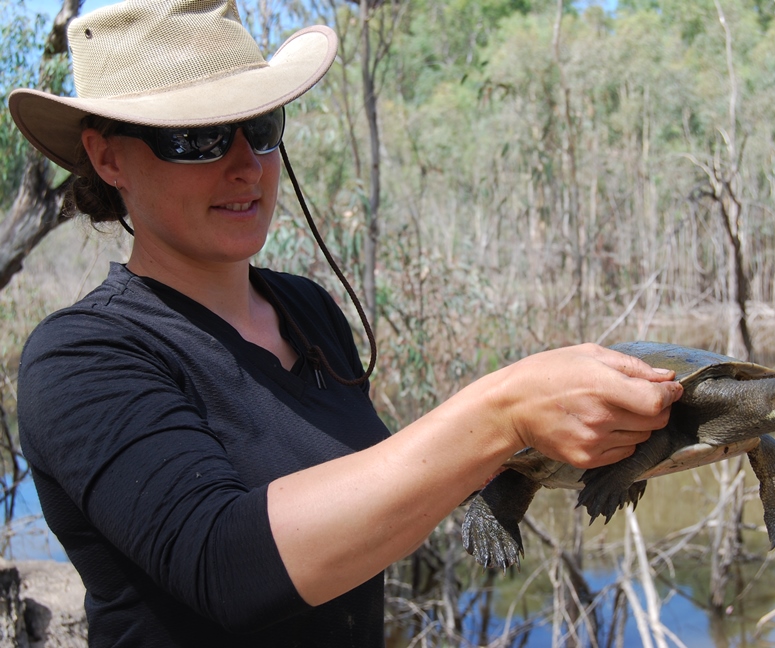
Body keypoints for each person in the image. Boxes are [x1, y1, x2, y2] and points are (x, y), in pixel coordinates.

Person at [9, 1, 683, 646]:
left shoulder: (307, 311)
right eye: (198, 138)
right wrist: (498, 412)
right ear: (107, 158)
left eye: (262, 127)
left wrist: (605, 429)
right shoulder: (81, 357)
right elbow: (225, 565)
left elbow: (372, 492)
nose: (246, 164)